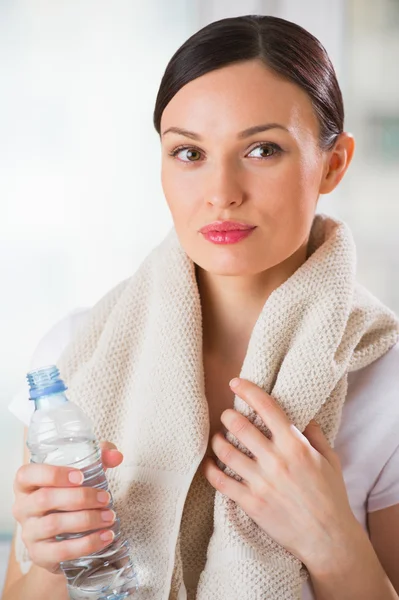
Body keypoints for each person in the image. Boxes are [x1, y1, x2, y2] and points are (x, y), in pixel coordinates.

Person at [4, 14, 399, 600]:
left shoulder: (386, 377)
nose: (221, 192)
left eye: (263, 149)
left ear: (334, 164)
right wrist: (51, 559)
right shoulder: (74, 357)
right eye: (189, 153)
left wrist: (332, 541)